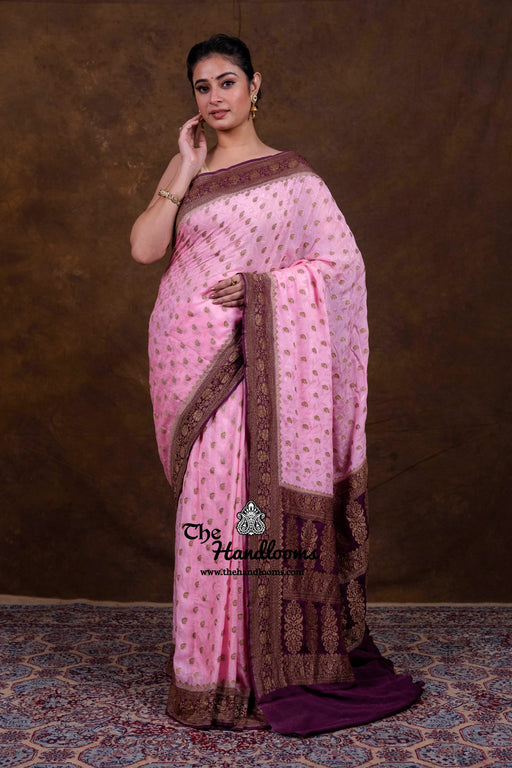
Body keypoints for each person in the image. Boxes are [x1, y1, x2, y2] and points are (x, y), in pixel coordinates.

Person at [131, 33, 423, 735]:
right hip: (189, 362)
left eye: (227, 82)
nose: (215, 98)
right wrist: (182, 166)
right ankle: (209, 674)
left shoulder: (296, 179)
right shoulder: (189, 171)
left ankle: (253, 674)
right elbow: (145, 248)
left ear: (255, 85)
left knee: (243, 510)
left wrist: (265, 289)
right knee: (211, 511)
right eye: (202, 87)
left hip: (257, 360)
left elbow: (341, 268)